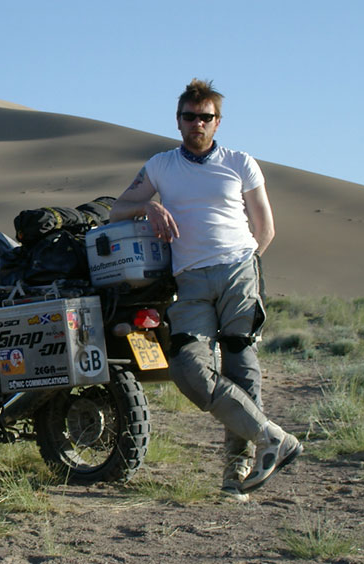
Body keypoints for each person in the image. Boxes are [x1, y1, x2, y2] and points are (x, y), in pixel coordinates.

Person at [110, 79, 301, 502]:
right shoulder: (160, 166)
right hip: (190, 281)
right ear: (177, 121)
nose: (197, 123)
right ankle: (273, 437)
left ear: (218, 122)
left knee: (241, 365)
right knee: (186, 367)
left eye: (205, 117)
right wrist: (149, 205)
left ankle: (237, 474)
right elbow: (116, 209)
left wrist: (247, 266)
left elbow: (264, 225)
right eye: (189, 116)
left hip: (238, 271)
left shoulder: (240, 162)